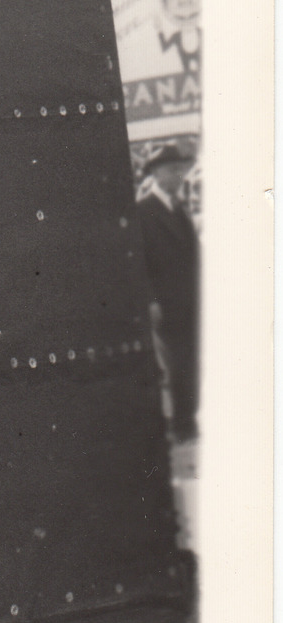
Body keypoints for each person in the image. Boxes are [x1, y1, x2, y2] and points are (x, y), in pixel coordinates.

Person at [137, 145, 199, 442]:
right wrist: (150, 300)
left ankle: (187, 421)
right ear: (158, 173)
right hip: (165, 303)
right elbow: (140, 261)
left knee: (189, 362)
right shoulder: (144, 211)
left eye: (180, 169)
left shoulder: (178, 209)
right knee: (176, 366)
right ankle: (180, 426)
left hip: (189, 299)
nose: (179, 175)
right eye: (173, 169)